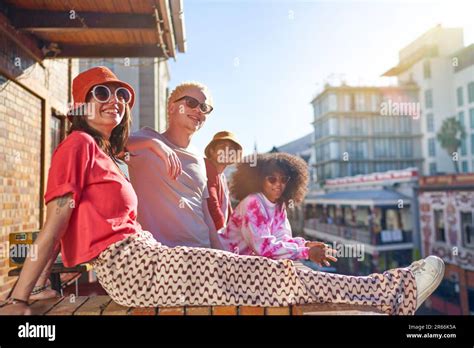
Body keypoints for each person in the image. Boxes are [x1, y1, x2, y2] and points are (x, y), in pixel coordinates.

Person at [0, 67, 444, 316]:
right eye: (101, 92)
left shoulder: (104, 153)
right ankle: (394, 288)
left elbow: (69, 222)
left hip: (150, 259)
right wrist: (20, 298)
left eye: (121, 94)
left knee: (271, 284)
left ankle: (384, 293)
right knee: (271, 279)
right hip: (135, 266)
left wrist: (37, 287)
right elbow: (56, 218)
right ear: (79, 104)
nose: (114, 99)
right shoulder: (79, 144)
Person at [125, 82, 221, 248]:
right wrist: (155, 144)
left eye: (204, 107)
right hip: (162, 259)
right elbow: (110, 145)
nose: (199, 110)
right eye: (191, 102)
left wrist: (222, 254)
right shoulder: (145, 141)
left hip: (201, 255)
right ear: (171, 108)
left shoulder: (199, 158)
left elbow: (205, 214)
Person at [219, 153, 335, 265]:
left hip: (246, 265)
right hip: (226, 263)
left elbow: (282, 239)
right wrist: (306, 252)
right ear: (260, 180)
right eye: (272, 179)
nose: (278, 184)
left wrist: (306, 244)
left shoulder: (279, 205)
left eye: (284, 179)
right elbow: (264, 248)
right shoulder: (253, 203)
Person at [204, 131, 242, 231]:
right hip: (209, 236)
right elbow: (212, 204)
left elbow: (228, 209)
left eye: (232, 149)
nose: (227, 151)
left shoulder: (222, 177)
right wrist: (223, 233)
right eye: (223, 146)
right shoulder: (207, 168)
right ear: (212, 151)